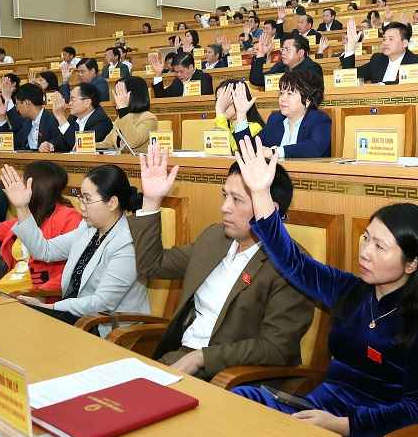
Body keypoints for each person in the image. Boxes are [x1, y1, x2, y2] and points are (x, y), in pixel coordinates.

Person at [231, 137, 418, 437]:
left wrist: (341, 425)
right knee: (241, 400)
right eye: (366, 238)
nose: (364, 251)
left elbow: (415, 410)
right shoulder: (352, 290)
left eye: (379, 247)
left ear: (412, 264)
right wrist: (260, 194)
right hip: (318, 409)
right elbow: (296, 264)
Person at [129, 144, 314, 377]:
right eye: (225, 196)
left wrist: (201, 358)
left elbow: (276, 348)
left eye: (237, 200)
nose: (224, 207)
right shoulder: (214, 237)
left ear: (270, 209)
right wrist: (152, 200)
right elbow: (151, 265)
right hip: (178, 359)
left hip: (231, 377)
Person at [1, 163, 148, 330]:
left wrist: (51, 308)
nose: (81, 206)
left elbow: (102, 303)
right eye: (81, 198)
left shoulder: (127, 243)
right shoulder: (87, 229)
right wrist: (22, 207)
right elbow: (44, 251)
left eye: (88, 199)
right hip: (75, 316)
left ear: (112, 203)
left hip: (103, 325)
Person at [0, 158, 82, 296]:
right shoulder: (27, 215)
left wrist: (37, 294)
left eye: (21, 182)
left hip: (37, 296)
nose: (17, 186)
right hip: (7, 288)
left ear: (36, 186)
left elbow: (72, 271)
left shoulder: (69, 218)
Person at [238, 69, 330, 158]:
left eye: (289, 94)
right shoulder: (276, 119)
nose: (282, 98)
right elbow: (251, 147)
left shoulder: (319, 119)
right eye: (281, 93)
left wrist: (275, 152)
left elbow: (315, 147)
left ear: (308, 100)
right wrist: (241, 115)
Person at [339, 19, 418, 84]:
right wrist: (350, 48)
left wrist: (382, 85)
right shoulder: (377, 60)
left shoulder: (416, 62)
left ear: (405, 43)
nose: (385, 42)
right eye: (384, 39)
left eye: (391, 39)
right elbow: (350, 77)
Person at [44, 83, 113, 152]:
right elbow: (64, 141)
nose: (69, 103)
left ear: (87, 102)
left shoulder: (102, 122)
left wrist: (60, 117)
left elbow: (79, 145)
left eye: (72, 100)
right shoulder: (73, 118)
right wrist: (51, 145)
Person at [99, 77, 158, 154]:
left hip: (139, 163)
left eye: (120, 93)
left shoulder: (149, 118)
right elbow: (106, 144)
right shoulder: (121, 118)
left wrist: (123, 109)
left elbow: (133, 142)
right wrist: (83, 147)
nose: (116, 98)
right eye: (116, 94)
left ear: (134, 94)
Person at [248, 32, 323, 90]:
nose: (283, 52)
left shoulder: (313, 69)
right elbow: (256, 80)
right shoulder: (281, 66)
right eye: (282, 49)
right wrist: (260, 54)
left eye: (287, 49)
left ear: (300, 53)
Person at [214, 80, 264, 146]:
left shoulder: (255, 127)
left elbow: (233, 149)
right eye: (219, 101)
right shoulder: (223, 124)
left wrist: (220, 114)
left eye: (225, 100)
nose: (221, 105)